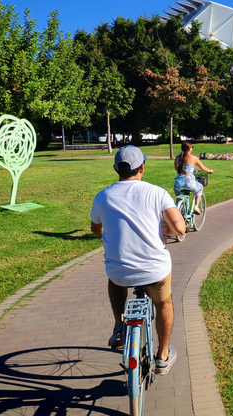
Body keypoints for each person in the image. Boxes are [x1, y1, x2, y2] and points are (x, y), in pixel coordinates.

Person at [90, 145, 186, 375]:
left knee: (115, 280)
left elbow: (96, 229)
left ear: (116, 169)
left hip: (119, 271)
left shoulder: (102, 196)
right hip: (154, 270)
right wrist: (162, 229)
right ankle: (162, 356)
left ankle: (119, 326)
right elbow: (180, 228)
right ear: (142, 166)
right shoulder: (157, 193)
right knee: (164, 303)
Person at [174, 142, 213, 214]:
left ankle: (181, 211)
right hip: (189, 182)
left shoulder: (177, 157)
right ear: (189, 149)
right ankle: (196, 206)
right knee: (200, 188)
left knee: (179, 197)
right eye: (192, 147)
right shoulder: (193, 158)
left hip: (178, 183)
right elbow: (203, 168)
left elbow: (176, 169)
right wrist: (210, 171)